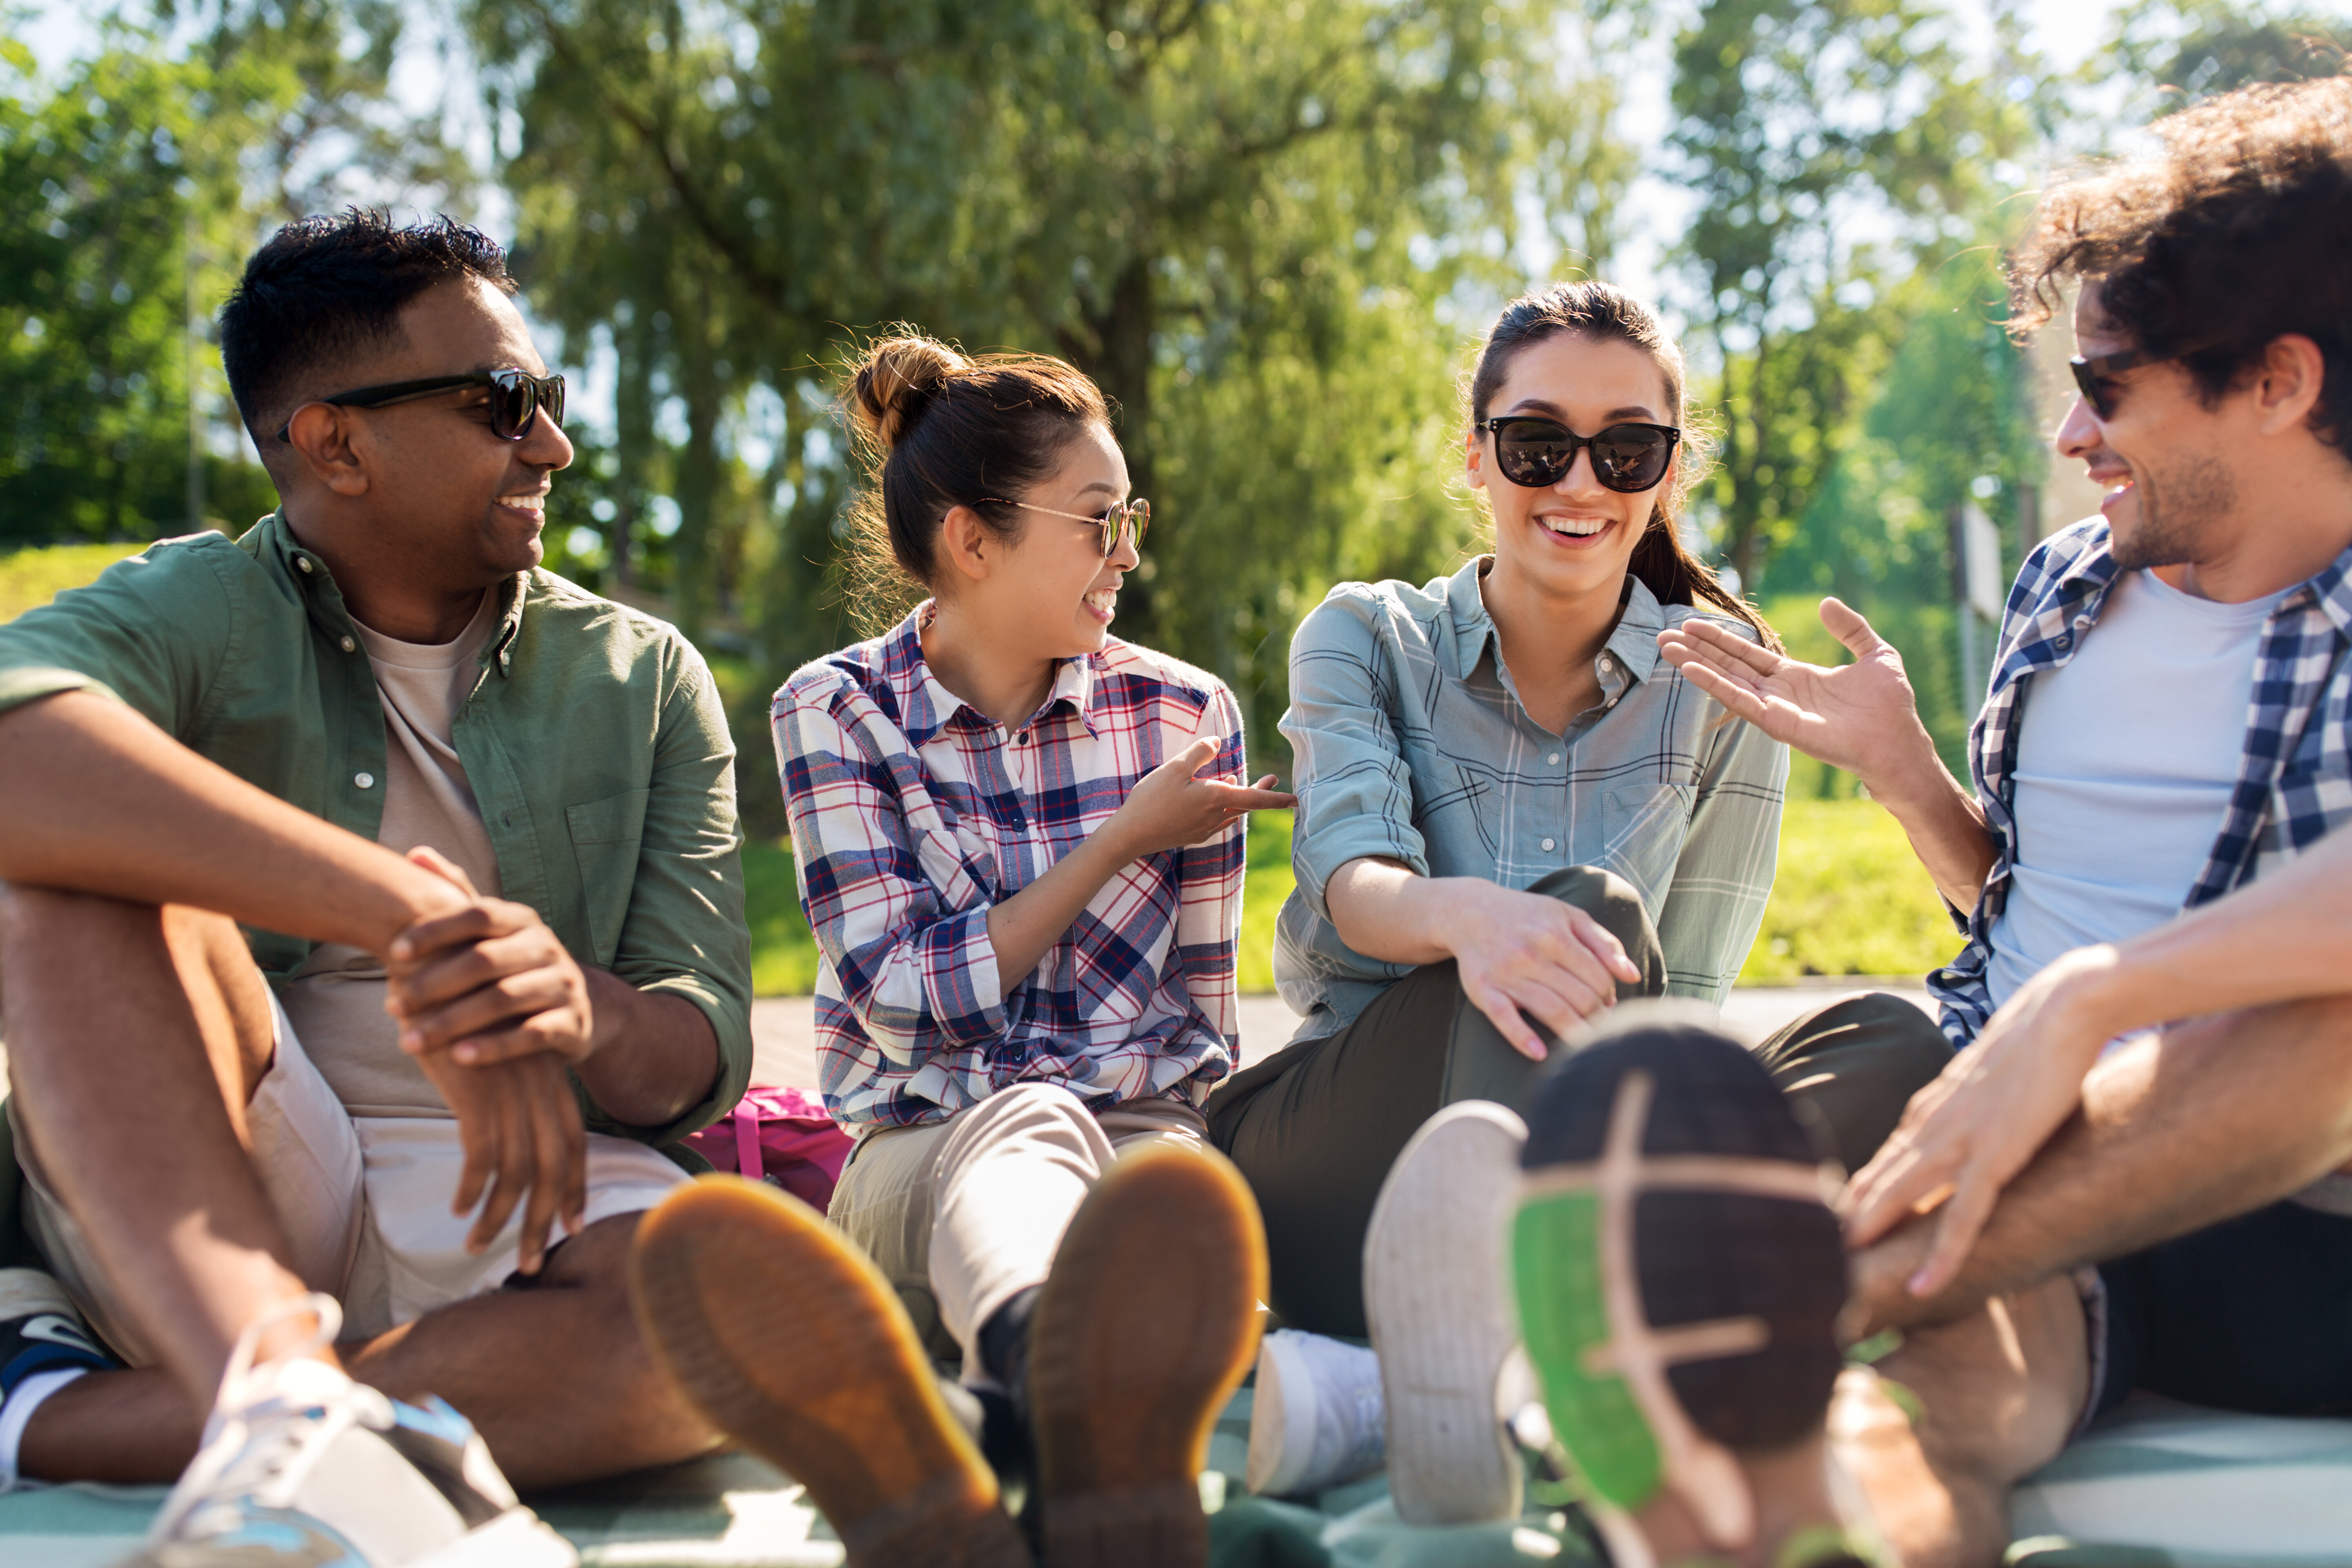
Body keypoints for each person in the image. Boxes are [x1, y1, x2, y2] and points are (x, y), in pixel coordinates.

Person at [1593, 78, 2352, 1568]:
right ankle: (1791, 1506)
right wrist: (1907, 778)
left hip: (2303, 1213)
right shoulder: (2070, 587)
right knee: (1915, 1411)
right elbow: (2022, 911)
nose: (2073, 431)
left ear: (2279, 381)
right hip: (2041, 1185)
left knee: (2319, 1018)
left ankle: (1820, 1287)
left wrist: (2102, 1000)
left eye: (2114, 384)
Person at [0, 213, 753, 1564]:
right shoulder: (199, 608)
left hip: (527, 1192)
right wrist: (416, 920)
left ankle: (87, 1420)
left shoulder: (642, 675)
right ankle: (272, 1376)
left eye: (548, 400)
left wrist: (555, 1002)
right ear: (335, 443)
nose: (553, 447)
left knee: (738, 1310)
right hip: (221, 1172)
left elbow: (693, 1059)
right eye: (502, 403)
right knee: (67, 864)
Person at [635, 334, 1290, 1568]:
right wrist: (1116, 843)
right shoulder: (834, 710)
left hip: (1132, 1149)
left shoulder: (1183, 712)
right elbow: (899, 1003)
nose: (1129, 554)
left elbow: (1197, 1031)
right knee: (1026, 1125)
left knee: (1171, 1189)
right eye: (1098, 521)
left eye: (1131, 515)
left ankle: (999, 1441)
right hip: (917, 1160)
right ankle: (1054, 1380)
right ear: (971, 541)